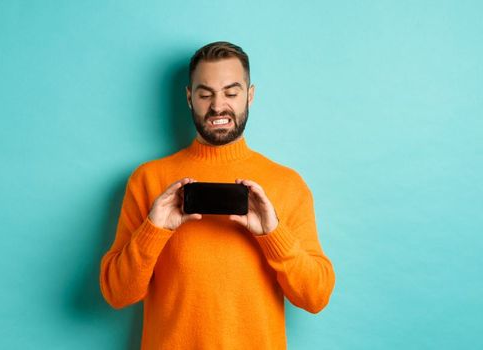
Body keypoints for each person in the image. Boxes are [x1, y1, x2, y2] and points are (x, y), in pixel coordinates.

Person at [99, 41, 335, 349]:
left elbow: (315, 297)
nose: (217, 106)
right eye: (205, 93)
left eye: (231, 92)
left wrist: (273, 234)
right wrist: (153, 230)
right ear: (189, 97)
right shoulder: (148, 179)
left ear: (250, 96)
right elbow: (118, 294)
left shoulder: (288, 184)